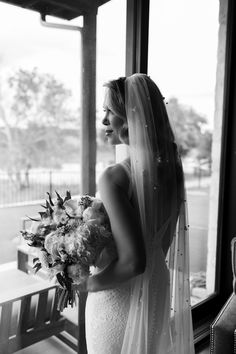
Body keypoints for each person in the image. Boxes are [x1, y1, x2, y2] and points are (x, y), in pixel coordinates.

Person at [75, 74, 195, 354]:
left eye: (109, 111)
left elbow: (132, 262)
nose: (104, 120)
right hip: (155, 287)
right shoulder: (172, 168)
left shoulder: (115, 177)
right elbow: (158, 247)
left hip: (117, 296)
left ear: (129, 117)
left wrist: (87, 284)